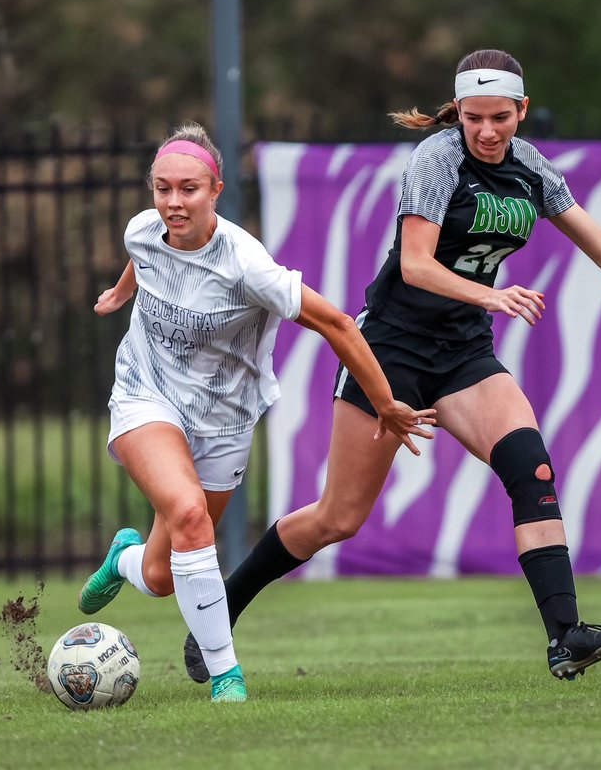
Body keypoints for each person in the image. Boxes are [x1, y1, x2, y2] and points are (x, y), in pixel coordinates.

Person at [180, 48, 601, 685]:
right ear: (458, 111)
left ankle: (565, 636)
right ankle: (221, 609)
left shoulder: (531, 167)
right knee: (337, 518)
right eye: (474, 117)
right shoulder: (437, 158)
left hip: (463, 354)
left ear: (522, 110)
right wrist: (491, 295)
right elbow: (416, 264)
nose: (487, 131)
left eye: (500, 117)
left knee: (532, 470)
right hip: (390, 351)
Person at [77, 122, 435, 703]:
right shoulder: (143, 229)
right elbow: (142, 256)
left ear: (216, 190)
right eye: (162, 189)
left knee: (163, 577)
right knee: (190, 515)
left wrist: (386, 402)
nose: (173, 203)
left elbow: (339, 324)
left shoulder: (247, 265)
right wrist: (122, 293)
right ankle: (227, 676)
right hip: (146, 395)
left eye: (188, 189)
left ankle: (125, 560)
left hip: (225, 420)